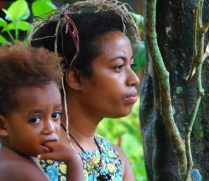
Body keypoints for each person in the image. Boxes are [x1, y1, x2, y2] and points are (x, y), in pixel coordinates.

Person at [28, 0, 140, 180]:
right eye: (118, 66)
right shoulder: (36, 156)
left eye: (131, 65)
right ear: (76, 78)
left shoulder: (117, 159)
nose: (134, 79)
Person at [0, 42, 84, 181]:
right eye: (35, 119)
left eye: (55, 115)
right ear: (1, 125)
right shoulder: (25, 171)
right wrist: (74, 161)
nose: (50, 129)